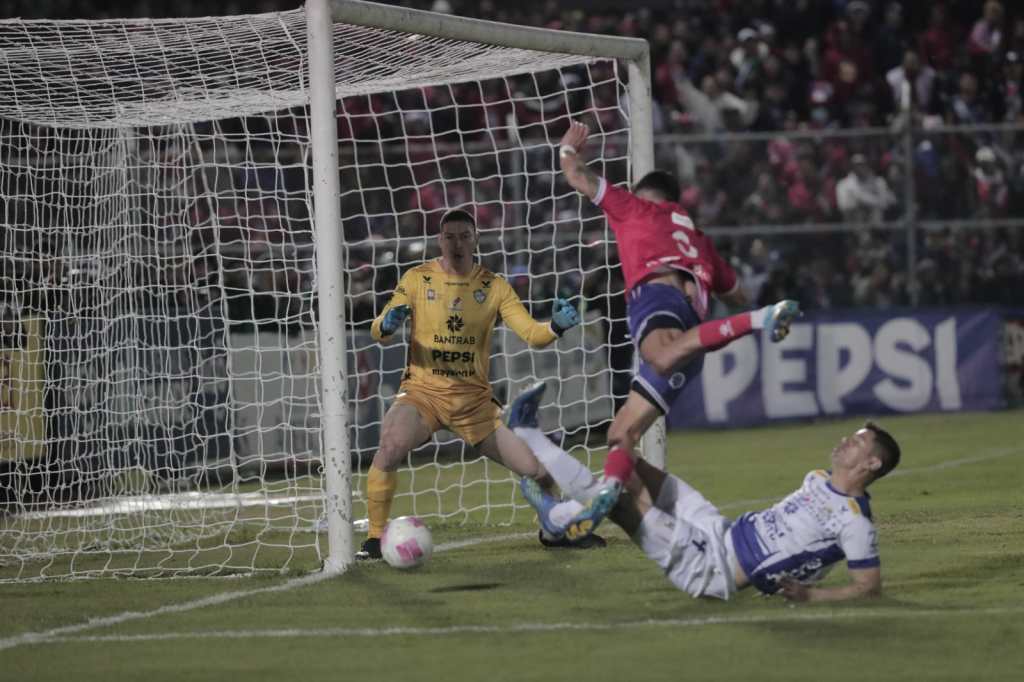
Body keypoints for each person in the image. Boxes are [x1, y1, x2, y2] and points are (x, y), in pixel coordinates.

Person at [556, 120, 801, 532]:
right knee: (621, 434)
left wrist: (567, 148)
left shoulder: (635, 207)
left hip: (658, 302)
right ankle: (615, 494)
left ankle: (763, 320)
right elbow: (735, 291)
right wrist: (698, 275)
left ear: (644, 195)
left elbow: (577, 175)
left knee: (659, 354)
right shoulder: (698, 237)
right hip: (692, 332)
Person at [355, 208, 599, 559]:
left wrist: (556, 327)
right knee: (390, 446)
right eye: (449, 236)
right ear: (439, 240)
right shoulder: (416, 279)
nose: (456, 243)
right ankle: (375, 540)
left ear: (475, 240)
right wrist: (388, 323)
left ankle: (554, 530)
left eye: (463, 236)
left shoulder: (494, 286)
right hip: (423, 395)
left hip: (474, 405)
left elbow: (532, 334)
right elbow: (379, 330)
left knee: (538, 471)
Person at [512, 384, 901, 601]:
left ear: (872, 465)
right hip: (720, 529)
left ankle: (534, 449)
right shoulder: (817, 477)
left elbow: (869, 587)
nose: (845, 441)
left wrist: (812, 596)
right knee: (626, 459)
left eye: (857, 443)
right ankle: (552, 498)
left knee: (621, 498)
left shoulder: (855, 523)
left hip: (713, 569)